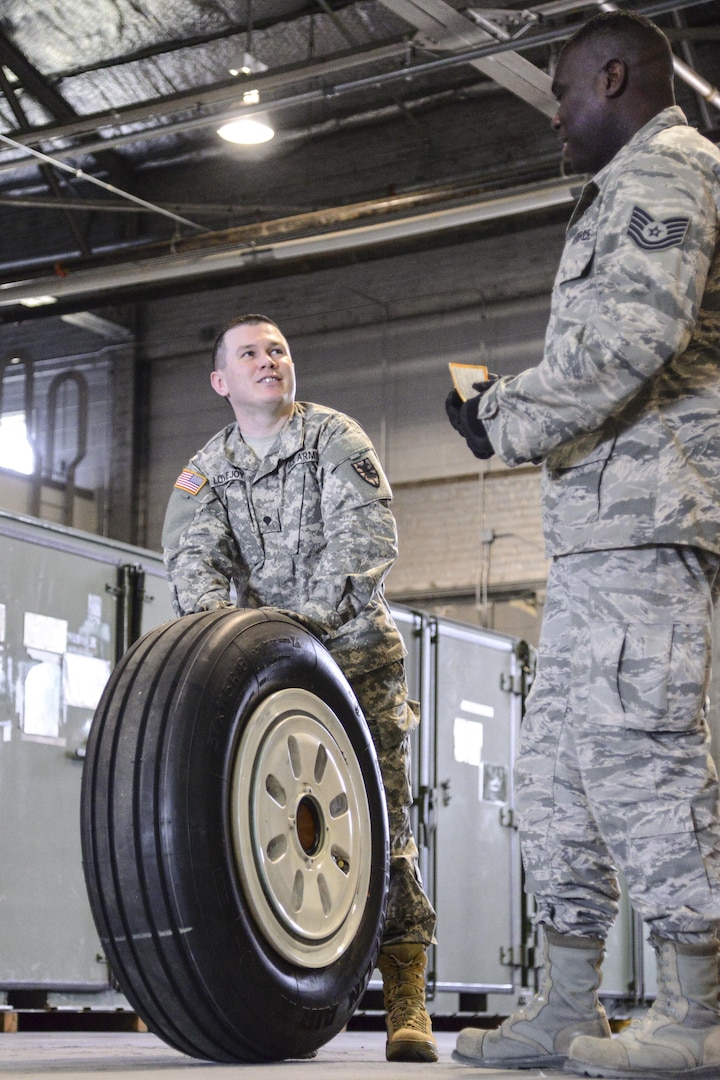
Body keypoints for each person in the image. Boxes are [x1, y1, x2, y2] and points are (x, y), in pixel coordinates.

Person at [446, 10, 720, 1078]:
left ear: (614, 77)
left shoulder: (669, 172)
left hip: (651, 528)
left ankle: (695, 1012)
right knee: (560, 774)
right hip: (599, 538)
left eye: (563, 94)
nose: (554, 116)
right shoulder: (620, 188)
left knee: (646, 762)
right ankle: (566, 1005)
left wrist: (505, 416)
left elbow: (632, 339)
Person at [162, 313, 438, 1063]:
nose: (268, 361)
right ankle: (269, 984)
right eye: (249, 354)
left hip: (354, 660)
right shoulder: (206, 472)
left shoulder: (335, 439)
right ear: (221, 382)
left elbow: (365, 551)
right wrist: (234, 648)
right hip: (263, 674)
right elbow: (195, 574)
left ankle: (406, 1000)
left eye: (278, 349)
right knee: (254, 826)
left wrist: (289, 629)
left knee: (384, 826)